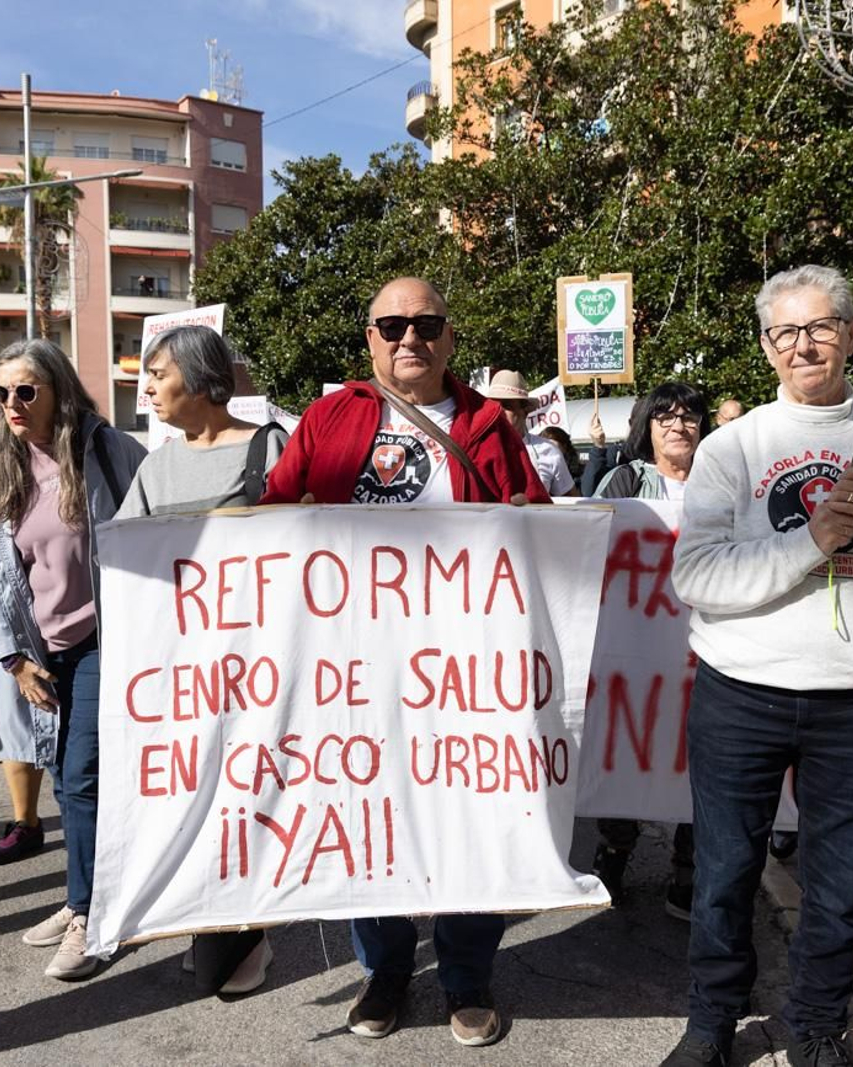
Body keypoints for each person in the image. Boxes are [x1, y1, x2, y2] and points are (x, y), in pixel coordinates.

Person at [660, 264, 853, 1067]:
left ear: (852, 335)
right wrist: (812, 539)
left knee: (841, 883)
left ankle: (816, 1023)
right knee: (723, 873)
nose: (804, 345)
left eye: (821, 326)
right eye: (786, 332)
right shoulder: (732, 447)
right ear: (767, 346)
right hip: (740, 695)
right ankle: (712, 1022)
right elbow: (697, 576)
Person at [261, 276, 548, 1048]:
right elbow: (270, 517)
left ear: (449, 337)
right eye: (392, 325)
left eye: (425, 324)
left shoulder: (486, 425)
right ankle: (385, 967)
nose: (409, 337)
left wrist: (527, 525)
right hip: (353, 671)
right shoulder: (328, 418)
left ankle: (467, 974)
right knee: (366, 816)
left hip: (465, 674)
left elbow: (541, 526)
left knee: (470, 817)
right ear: (371, 339)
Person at [0, 338, 147, 980]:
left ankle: (91, 916)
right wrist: (13, 658)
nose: (11, 404)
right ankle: (82, 895)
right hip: (41, 650)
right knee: (66, 777)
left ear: (58, 390)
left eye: (26, 390)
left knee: (81, 774)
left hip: (106, 639)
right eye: (1, 392)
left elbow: (156, 527)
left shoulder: (106, 450)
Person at [115, 324, 286, 994]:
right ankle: (208, 917)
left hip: (258, 666)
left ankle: (251, 926)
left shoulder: (271, 447)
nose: (149, 391)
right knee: (194, 796)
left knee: (250, 792)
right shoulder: (154, 468)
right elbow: (128, 563)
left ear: (201, 377)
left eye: (158, 375)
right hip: (182, 670)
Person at [590, 381, 713, 921]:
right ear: (649, 427)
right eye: (666, 417)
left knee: (697, 755)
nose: (678, 425)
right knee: (627, 745)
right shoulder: (624, 481)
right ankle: (615, 849)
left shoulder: (722, 481)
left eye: (689, 416)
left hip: (703, 645)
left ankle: (688, 864)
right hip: (635, 648)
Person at [484, 369, 576, 496]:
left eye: (506, 405)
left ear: (525, 411)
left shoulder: (548, 451)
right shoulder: (478, 448)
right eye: (494, 406)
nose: (499, 412)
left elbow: (571, 501)